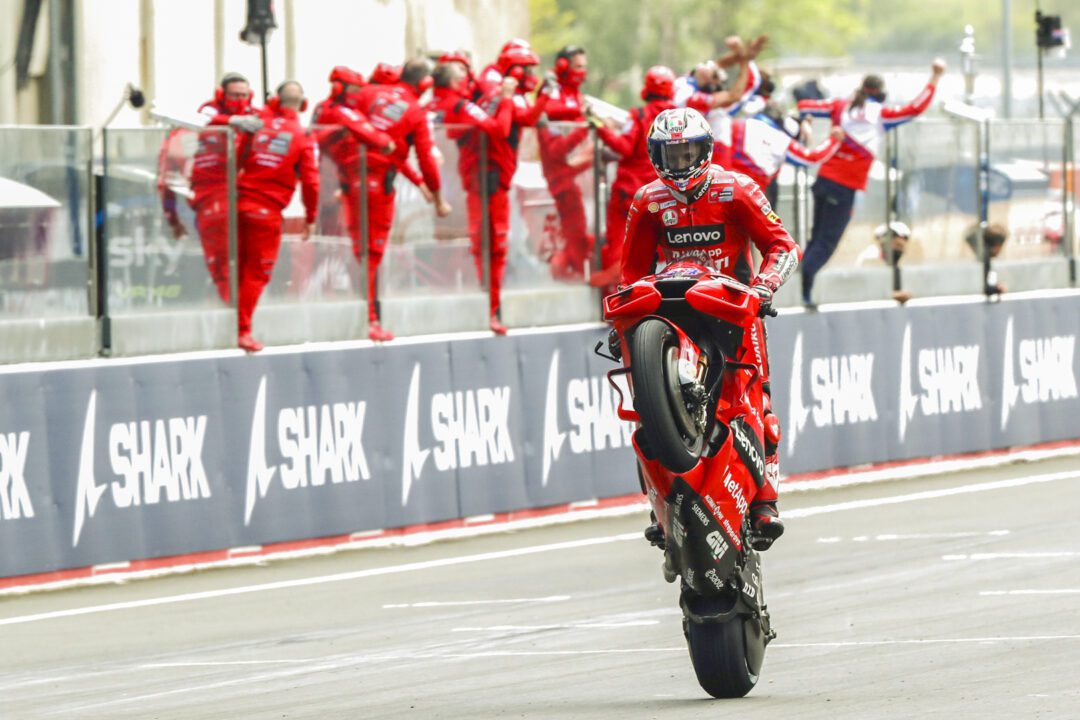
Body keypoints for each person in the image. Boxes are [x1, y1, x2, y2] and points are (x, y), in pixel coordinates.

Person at [620, 107, 801, 549]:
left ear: (706, 150)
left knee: (756, 396)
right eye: (672, 155)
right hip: (670, 305)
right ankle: (659, 503)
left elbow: (782, 246)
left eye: (688, 153)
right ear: (655, 156)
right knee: (642, 401)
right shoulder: (647, 200)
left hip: (734, 307)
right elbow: (631, 272)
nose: (681, 164)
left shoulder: (737, 189)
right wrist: (626, 316)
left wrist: (764, 287)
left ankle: (765, 502)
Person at [797, 58, 946, 305]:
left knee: (815, 240)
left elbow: (804, 105)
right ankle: (800, 293)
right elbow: (915, 108)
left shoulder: (840, 106)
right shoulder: (881, 115)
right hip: (843, 187)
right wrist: (936, 77)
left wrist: (805, 121)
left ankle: (799, 288)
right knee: (825, 244)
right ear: (881, 93)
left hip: (823, 179)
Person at [353, 57, 453, 341]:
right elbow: (426, 159)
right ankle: (369, 320)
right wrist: (438, 198)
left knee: (354, 250)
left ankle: (363, 315)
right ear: (425, 83)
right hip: (376, 188)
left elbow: (390, 150)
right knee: (372, 252)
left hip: (349, 181)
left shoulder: (368, 93)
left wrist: (418, 183)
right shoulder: (415, 111)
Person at [428, 61, 517, 334]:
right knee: (491, 244)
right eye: (464, 75)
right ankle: (490, 309)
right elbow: (500, 129)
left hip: (455, 187)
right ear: (455, 82)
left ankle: (485, 305)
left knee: (479, 243)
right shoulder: (461, 105)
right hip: (476, 184)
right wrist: (506, 99)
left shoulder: (433, 104)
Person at [235, 81, 320, 352]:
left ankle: (230, 325)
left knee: (236, 269)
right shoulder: (302, 135)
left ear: (275, 100)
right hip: (266, 213)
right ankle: (243, 331)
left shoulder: (257, 123)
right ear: (303, 104)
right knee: (257, 273)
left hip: (238, 205)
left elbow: (235, 158)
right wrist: (311, 217)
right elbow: (311, 182)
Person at [589, 65, 678, 288]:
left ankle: (612, 292)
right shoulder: (678, 118)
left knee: (620, 248)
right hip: (664, 193)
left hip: (629, 194)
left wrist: (600, 127)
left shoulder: (639, 115)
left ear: (646, 89)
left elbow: (624, 147)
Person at [190, 72, 263, 302]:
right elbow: (202, 117)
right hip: (213, 191)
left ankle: (241, 305)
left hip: (244, 191)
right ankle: (226, 302)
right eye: (234, 95)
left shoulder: (255, 114)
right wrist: (233, 121)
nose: (240, 100)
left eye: (244, 95)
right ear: (222, 95)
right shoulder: (210, 110)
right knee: (221, 254)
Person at [537, 45, 593, 280]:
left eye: (584, 67)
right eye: (578, 66)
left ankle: (576, 274)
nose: (582, 72)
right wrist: (584, 126)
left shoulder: (574, 96)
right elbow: (556, 150)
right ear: (562, 66)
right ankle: (575, 277)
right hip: (561, 181)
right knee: (575, 234)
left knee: (578, 233)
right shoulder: (551, 96)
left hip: (571, 176)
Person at [673, 35, 767, 169]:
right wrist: (744, 57)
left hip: (708, 152)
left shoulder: (690, 82)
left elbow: (719, 66)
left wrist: (743, 53)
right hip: (706, 151)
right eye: (715, 76)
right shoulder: (691, 97)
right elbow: (736, 93)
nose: (713, 69)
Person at [730, 103, 844, 193]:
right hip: (748, 193)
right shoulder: (779, 138)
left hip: (724, 187)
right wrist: (833, 139)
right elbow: (811, 158)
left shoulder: (736, 124)